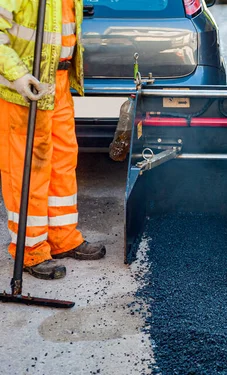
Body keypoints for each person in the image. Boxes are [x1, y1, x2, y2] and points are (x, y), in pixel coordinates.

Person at [0, 0, 105, 280]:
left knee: (62, 163)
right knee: (28, 170)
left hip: (57, 84)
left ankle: (63, 237)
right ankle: (30, 249)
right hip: (25, 90)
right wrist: (18, 76)